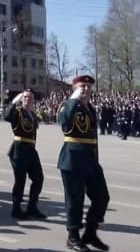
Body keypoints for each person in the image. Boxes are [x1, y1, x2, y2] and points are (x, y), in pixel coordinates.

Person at [57, 75, 110, 252]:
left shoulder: (90, 109)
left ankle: (90, 233)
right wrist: (73, 100)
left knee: (102, 197)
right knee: (75, 201)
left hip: (90, 161)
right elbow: (63, 122)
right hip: (72, 160)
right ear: (74, 89)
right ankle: (73, 237)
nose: (86, 89)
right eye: (82, 86)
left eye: (88, 86)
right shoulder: (67, 105)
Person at [5, 89, 46, 220]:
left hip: (31, 150)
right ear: (21, 99)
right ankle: (16, 209)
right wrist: (13, 102)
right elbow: (7, 116)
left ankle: (32, 207)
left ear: (33, 100)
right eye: (25, 97)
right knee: (20, 180)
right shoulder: (17, 112)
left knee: (38, 178)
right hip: (19, 149)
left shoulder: (32, 114)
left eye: (30, 98)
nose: (28, 99)